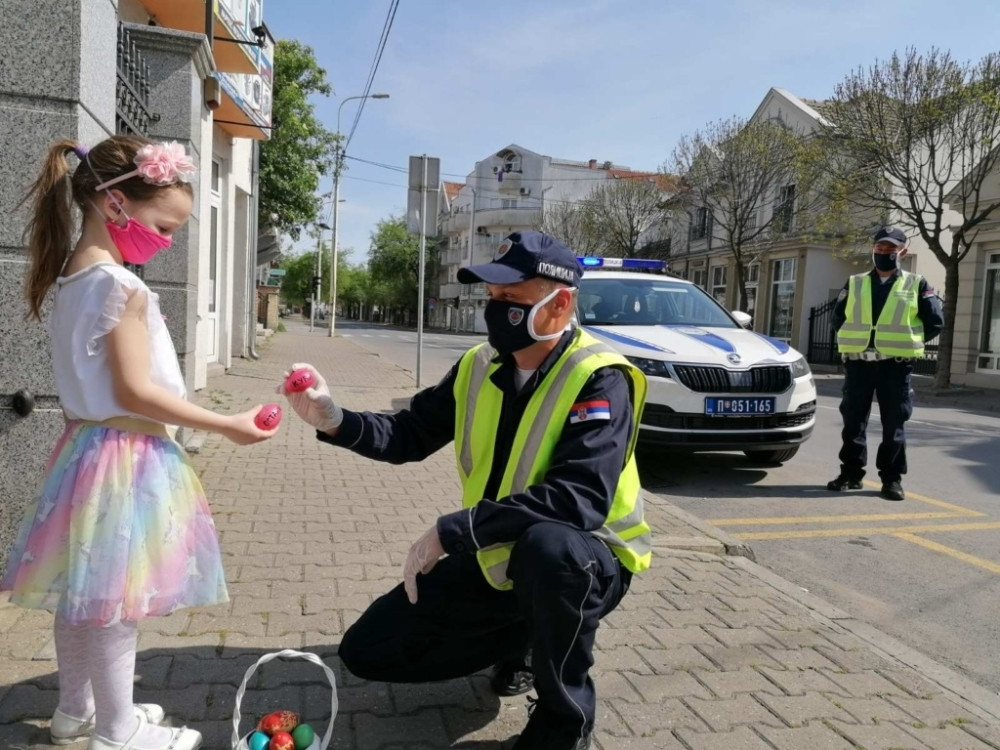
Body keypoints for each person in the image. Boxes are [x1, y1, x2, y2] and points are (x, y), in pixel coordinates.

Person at [281, 231, 651, 750]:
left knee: (552, 550)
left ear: (560, 303)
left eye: (511, 300)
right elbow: (409, 434)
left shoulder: (598, 377)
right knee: (369, 650)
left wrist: (450, 532)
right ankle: (528, 636)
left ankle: (562, 725)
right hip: (495, 552)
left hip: (589, 561)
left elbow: (578, 498)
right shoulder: (479, 365)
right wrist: (335, 419)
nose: (495, 312)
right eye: (492, 299)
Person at [1, 136, 277, 750]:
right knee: (114, 603)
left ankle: (78, 713)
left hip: (83, 453)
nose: (166, 240)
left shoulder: (72, 279)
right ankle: (117, 731)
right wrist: (225, 421)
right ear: (114, 203)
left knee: (84, 598)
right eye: (163, 225)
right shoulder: (120, 287)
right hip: (125, 457)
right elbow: (134, 392)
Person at [826, 227, 944, 501]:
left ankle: (891, 480)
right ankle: (851, 475)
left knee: (894, 425)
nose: (884, 253)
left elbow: (934, 322)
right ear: (873, 249)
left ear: (902, 251)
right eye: (880, 248)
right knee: (853, 423)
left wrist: (909, 341)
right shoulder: (855, 282)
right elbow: (837, 318)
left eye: (891, 249)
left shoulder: (916, 283)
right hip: (858, 364)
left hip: (895, 366)